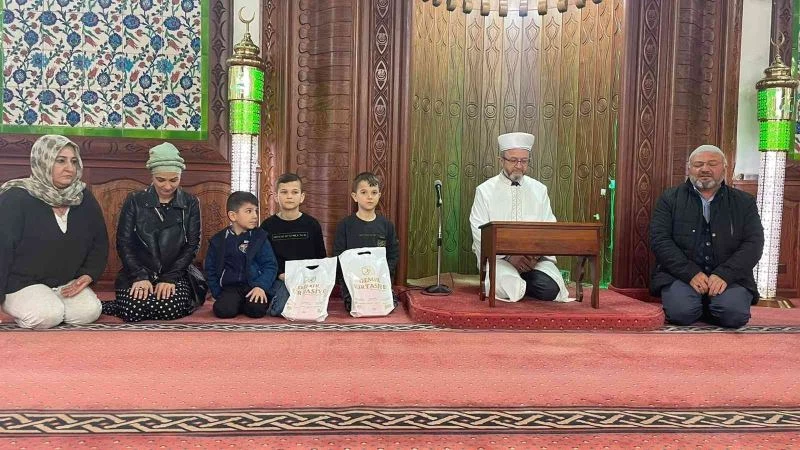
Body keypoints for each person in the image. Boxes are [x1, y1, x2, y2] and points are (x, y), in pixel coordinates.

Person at [0, 135, 108, 329]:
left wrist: (89, 274)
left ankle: (52, 302)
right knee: (47, 316)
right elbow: (2, 250)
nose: (70, 168)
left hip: (65, 283)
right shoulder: (15, 198)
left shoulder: (83, 197)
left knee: (88, 312)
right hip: (20, 284)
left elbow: (99, 241)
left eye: (73, 161)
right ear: (43, 161)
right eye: (60, 161)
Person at [649, 144, 764, 328]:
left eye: (712, 164)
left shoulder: (744, 202)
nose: (705, 169)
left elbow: (754, 243)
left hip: (730, 278)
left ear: (724, 168)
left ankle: (712, 305)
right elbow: (660, 240)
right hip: (681, 276)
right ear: (689, 168)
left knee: (733, 316)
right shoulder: (670, 199)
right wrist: (690, 273)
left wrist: (725, 274)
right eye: (698, 164)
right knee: (681, 313)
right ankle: (703, 304)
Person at [103, 142, 205, 322]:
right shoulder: (134, 200)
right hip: (139, 269)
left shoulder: (190, 202)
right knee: (134, 311)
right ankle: (129, 303)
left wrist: (169, 278)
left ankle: (139, 303)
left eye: (174, 180)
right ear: (152, 176)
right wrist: (140, 276)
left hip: (176, 271)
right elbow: (124, 243)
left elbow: (192, 246)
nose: (167, 186)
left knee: (169, 309)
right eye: (161, 180)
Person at [469, 132, 569, 302]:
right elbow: (479, 232)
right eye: (513, 160)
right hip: (499, 260)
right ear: (501, 160)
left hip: (534, 262)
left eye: (524, 161)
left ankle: (523, 283)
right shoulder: (484, 191)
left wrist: (533, 257)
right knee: (509, 283)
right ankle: (518, 283)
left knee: (551, 288)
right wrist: (510, 257)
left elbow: (549, 228)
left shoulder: (539, 190)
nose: (518, 166)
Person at [260, 173, 327, 317]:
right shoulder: (267, 226)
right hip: (280, 279)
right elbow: (263, 259)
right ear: (276, 196)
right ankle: (275, 303)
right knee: (281, 307)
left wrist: (311, 276)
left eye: (294, 192)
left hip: (307, 279)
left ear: (302, 197)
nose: (289, 196)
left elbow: (321, 257)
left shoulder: (312, 224)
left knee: (310, 306)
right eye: (284, 192)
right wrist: (280, 275)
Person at [205, 191, 278, 318]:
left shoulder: (259, 237)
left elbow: (270, 265)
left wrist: (261, 286)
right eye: (249, 211)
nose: (255, 216)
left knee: (256, 310)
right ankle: (235, 303)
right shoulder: (219, 240)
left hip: (254, 286)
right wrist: (217, 293)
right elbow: (210, 268)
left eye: (256, 211)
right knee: (223, 310)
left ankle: (243, 304)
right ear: (233, 216)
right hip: (230, 288)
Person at [334, 172, 400, 311]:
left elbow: (393, 255)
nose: (370, 197)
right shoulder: (345, 225)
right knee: (356, 307)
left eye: (374, 192)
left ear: (379, 195)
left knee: (386, 307)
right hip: (353, 283)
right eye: (364, 192)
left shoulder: (387, 225)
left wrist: (380, 275)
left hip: (378, 281)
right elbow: (339, 257)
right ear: (355, 196)